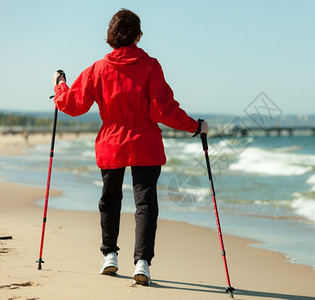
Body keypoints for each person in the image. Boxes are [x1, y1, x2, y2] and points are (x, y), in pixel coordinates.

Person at [51, 8, 207, 286]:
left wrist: (61, 86)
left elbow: (73, 105)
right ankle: (142, 263)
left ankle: (109, 255)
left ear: (111, 37)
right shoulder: (150, 66)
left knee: (109, 200)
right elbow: (164, 110)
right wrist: (195, 126)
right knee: (145, 204)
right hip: (144, 142)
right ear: (136, 35)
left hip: (112, 142)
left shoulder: (98, 69)